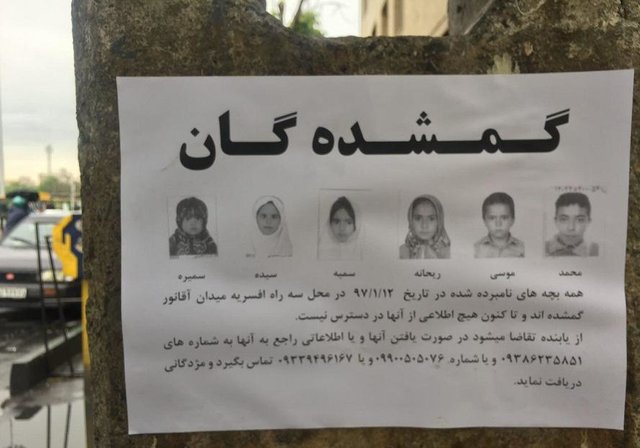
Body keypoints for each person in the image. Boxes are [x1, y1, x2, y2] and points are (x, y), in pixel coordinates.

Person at [545, 192, 598, 257]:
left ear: (588, 222)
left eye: (579, 220)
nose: (571, 228)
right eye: (564, 219)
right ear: (556, 221)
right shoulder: (542, 248)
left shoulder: (597, 251)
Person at [474, 192, 524, 258]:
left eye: (504, 217)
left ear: (512, 220)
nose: (498, 224)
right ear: (484, 221)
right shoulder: (476, 249)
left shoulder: (522, 248)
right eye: (492, 218)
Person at [399, 195, 450, 259]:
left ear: (439, 221)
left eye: (431, 219)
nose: (424, 225)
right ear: (411, 221)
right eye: (418, 218)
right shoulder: (401, 252)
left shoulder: (451, 253)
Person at [318, 196, 362, 260]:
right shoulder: (321, 251)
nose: (342, 228)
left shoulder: (361, 253)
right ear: (329, 224)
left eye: (348, 222)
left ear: (356, 225)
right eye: (336, 222)